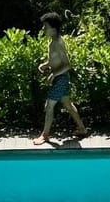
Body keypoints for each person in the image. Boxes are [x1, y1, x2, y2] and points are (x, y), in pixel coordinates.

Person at [34, 11, 88, 145]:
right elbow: (55, 61)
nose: (44, 29)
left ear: (53, 28)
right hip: (61, 78)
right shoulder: (52, 43)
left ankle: (45, 135)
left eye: (45, 26)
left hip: (61, 79)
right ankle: (82, 128)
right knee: (68, 105)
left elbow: (67, 65)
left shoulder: (58, 43)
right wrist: (45, 65)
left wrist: (54, 75)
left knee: (49, 106)